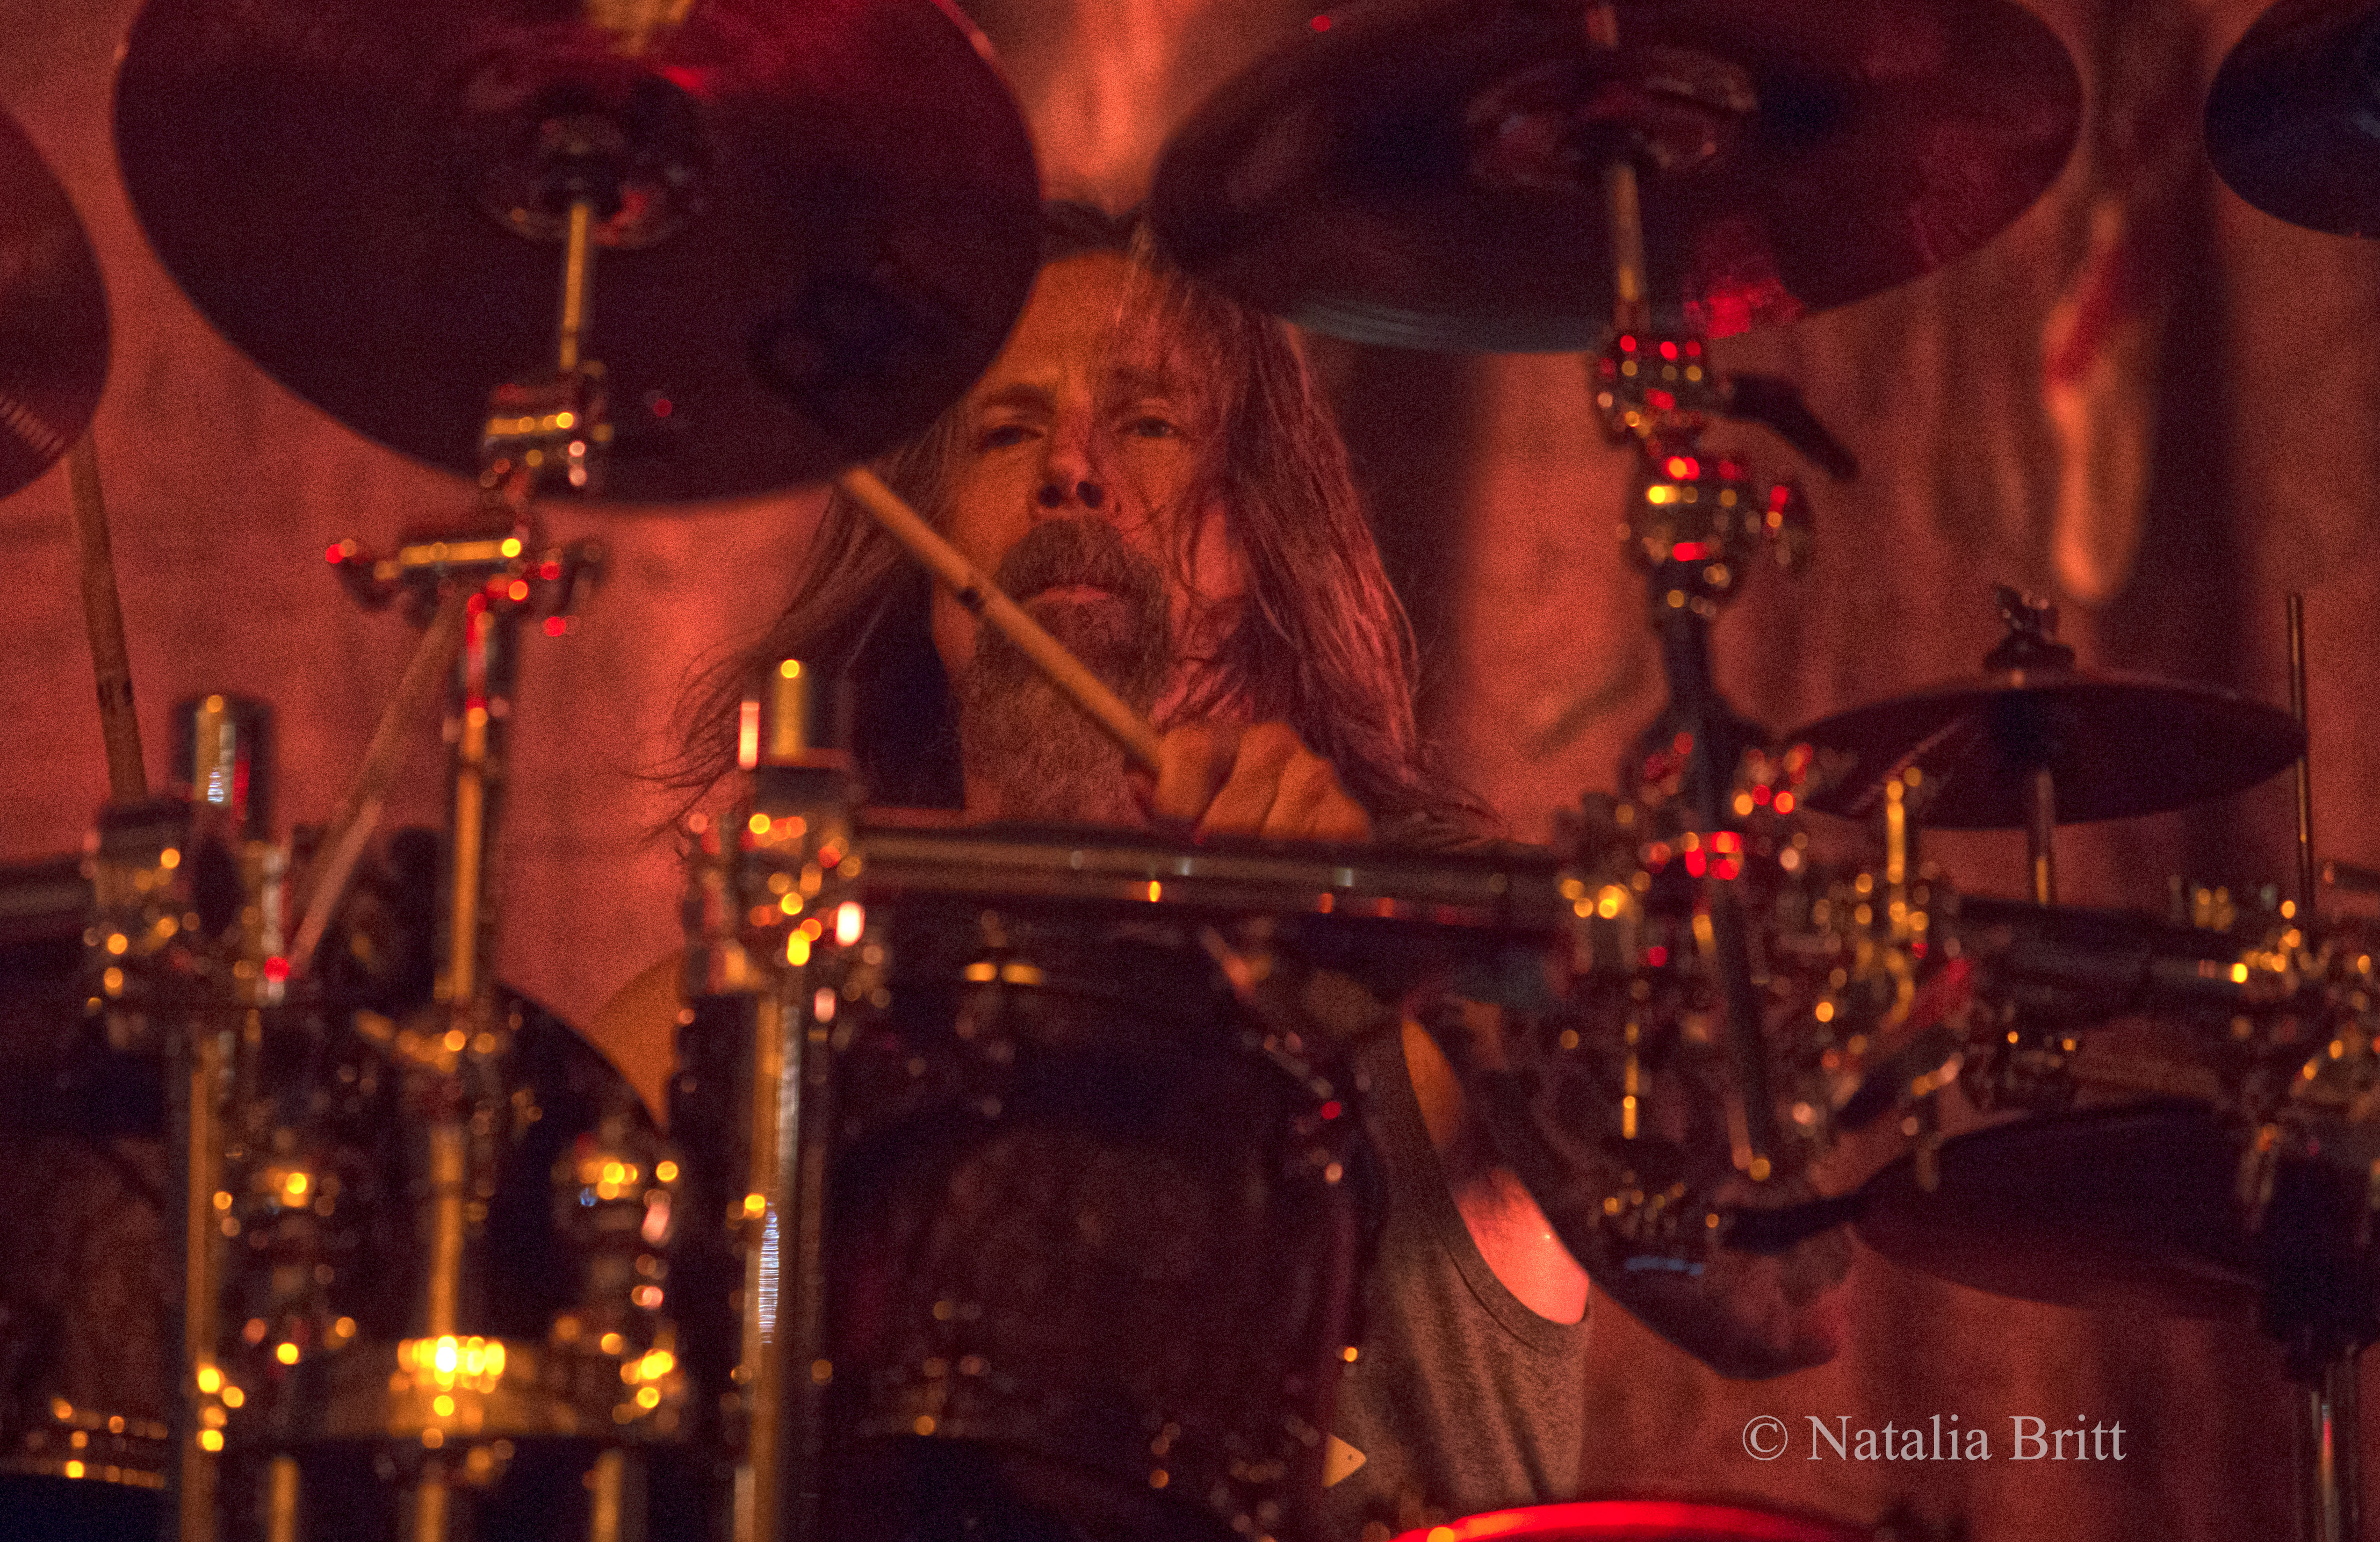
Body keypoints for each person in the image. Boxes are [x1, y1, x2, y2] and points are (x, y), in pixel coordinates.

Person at [608, 202, 1846, 1539]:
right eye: (1006, 431)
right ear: (926, 550)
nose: (1071, 470)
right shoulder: (743, 1011)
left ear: (1257, 538)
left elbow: (1788, 1294)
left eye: (1147, 423)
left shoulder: (1447, 974)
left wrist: (1380, 935)